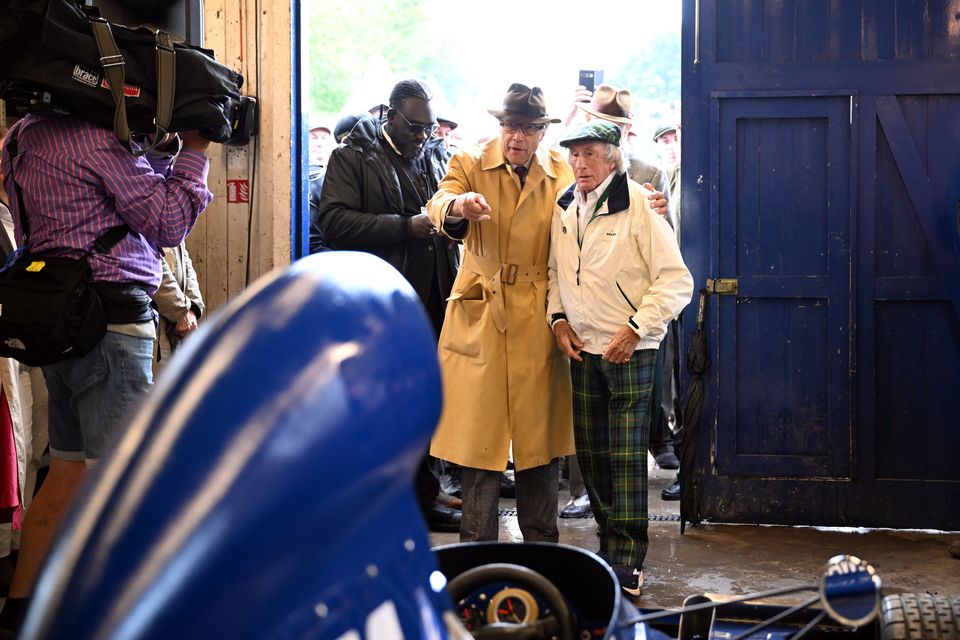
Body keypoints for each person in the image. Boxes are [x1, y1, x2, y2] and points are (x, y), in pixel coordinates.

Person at [0, 113, 212, 633]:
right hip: (112, 324)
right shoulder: (94, 138)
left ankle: (21, 611)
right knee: (125, 481)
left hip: (60, 320)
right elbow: (167, 222)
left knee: (67, 472)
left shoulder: (23, 135)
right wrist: (196, 148)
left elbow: (98, 202)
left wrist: (153, 149)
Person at [425, 83, 576, 543]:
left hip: (539, 312)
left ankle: (543, 555)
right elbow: (438, 202)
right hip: (481, 310)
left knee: (540, 442)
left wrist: (646, 209)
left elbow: (592, 217)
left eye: (530, 128)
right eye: (512, 125)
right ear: (501, 125)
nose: (518, 136)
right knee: (478, 441)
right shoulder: (469, 163)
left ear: (542, 132)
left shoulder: (562, 171)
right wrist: (459, 207)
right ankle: (475, 556)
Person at [547, 121, 692, 595]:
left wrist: (635, 330)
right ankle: (608, 546)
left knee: (626, 457)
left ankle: (628, 558)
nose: (580, 164)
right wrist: (558, 320)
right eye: (574, 155)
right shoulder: (566, 206)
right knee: (591, 455)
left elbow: (675, 281)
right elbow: (556, 272)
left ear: (612, 157)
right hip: (583, 348)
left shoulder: (640, 208)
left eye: (590, 154)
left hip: (630, 348)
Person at [316, 79, 462, 532]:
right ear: (389, 115)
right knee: (389, 402)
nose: (423, 135)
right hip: (383, 299)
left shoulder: (434, 153)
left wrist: (454, 221)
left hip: (436, 295)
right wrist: (406, 226)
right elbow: (334, 221)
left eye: (429, 127)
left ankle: (425, 490)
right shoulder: (352, 157)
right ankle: (393, 499)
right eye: (415, 127)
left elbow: (444, 213)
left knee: (427, 399)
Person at [653, 122, 684, 500]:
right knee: (669, 375)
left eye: (675, 137)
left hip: (689, 285)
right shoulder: (662, 177)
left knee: (683, 379)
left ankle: (682, 456)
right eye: (664, 140)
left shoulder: (691, 173)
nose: (671, 145)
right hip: (666, 289)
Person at [151, 242, 205, 372]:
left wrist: (192, 307)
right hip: (154, 322)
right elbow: (151, 262)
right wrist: (180, 310)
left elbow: (184, 258)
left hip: (177, 324)